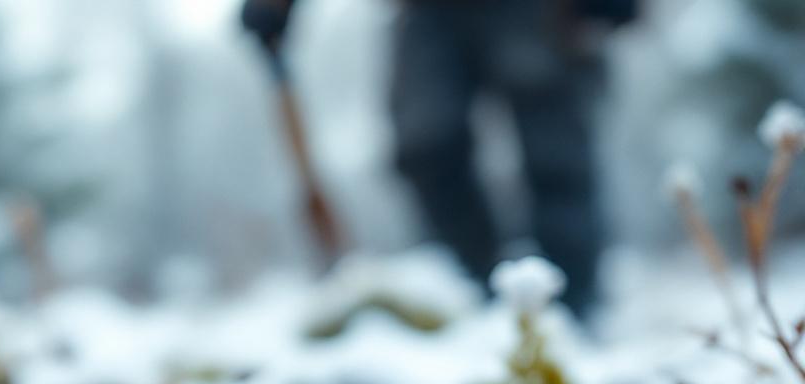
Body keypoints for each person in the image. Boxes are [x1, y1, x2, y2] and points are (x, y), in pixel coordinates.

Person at [242, 0, 636, 315]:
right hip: (427, 11)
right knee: (426, 144)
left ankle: (570, 311)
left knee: (557, 155)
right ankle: (475, 297)